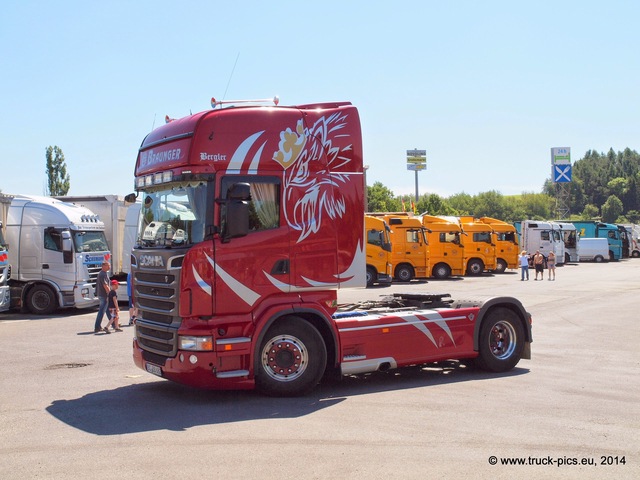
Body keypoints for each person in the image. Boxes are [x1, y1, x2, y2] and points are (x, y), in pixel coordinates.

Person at [94, 261, 112, 333]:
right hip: (104, 295)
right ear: (103, 266)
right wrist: (109, 294)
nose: (109, 267)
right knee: (101, 311)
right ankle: (97, 327)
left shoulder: (103, 273)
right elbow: (105, 285)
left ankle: (113, 323)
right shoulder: (102, 274)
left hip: (102, 294)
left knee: (107, 310)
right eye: (108, 265)